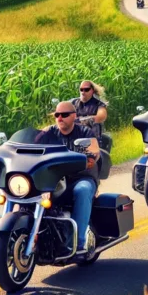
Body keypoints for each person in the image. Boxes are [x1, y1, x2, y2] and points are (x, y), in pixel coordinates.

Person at [34, 101, 101, 258]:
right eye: (57, 115)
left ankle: (77, 244)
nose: (60, 118)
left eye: (64, 115)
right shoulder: (48, 133)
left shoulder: (85, 132)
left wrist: (89, 157)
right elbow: (31, 147)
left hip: (79, 178)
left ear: (74, 116)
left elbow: (94, 153)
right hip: (53, 181)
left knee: (83, 190)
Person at [71, 80, 111, 151]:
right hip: (74, 139)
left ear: (92, 90)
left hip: (93, 140)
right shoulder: (73, 103)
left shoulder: (99, 104)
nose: (83, 92)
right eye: (81, 89)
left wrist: (79, 120)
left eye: (86, 90)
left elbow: (101, 116)